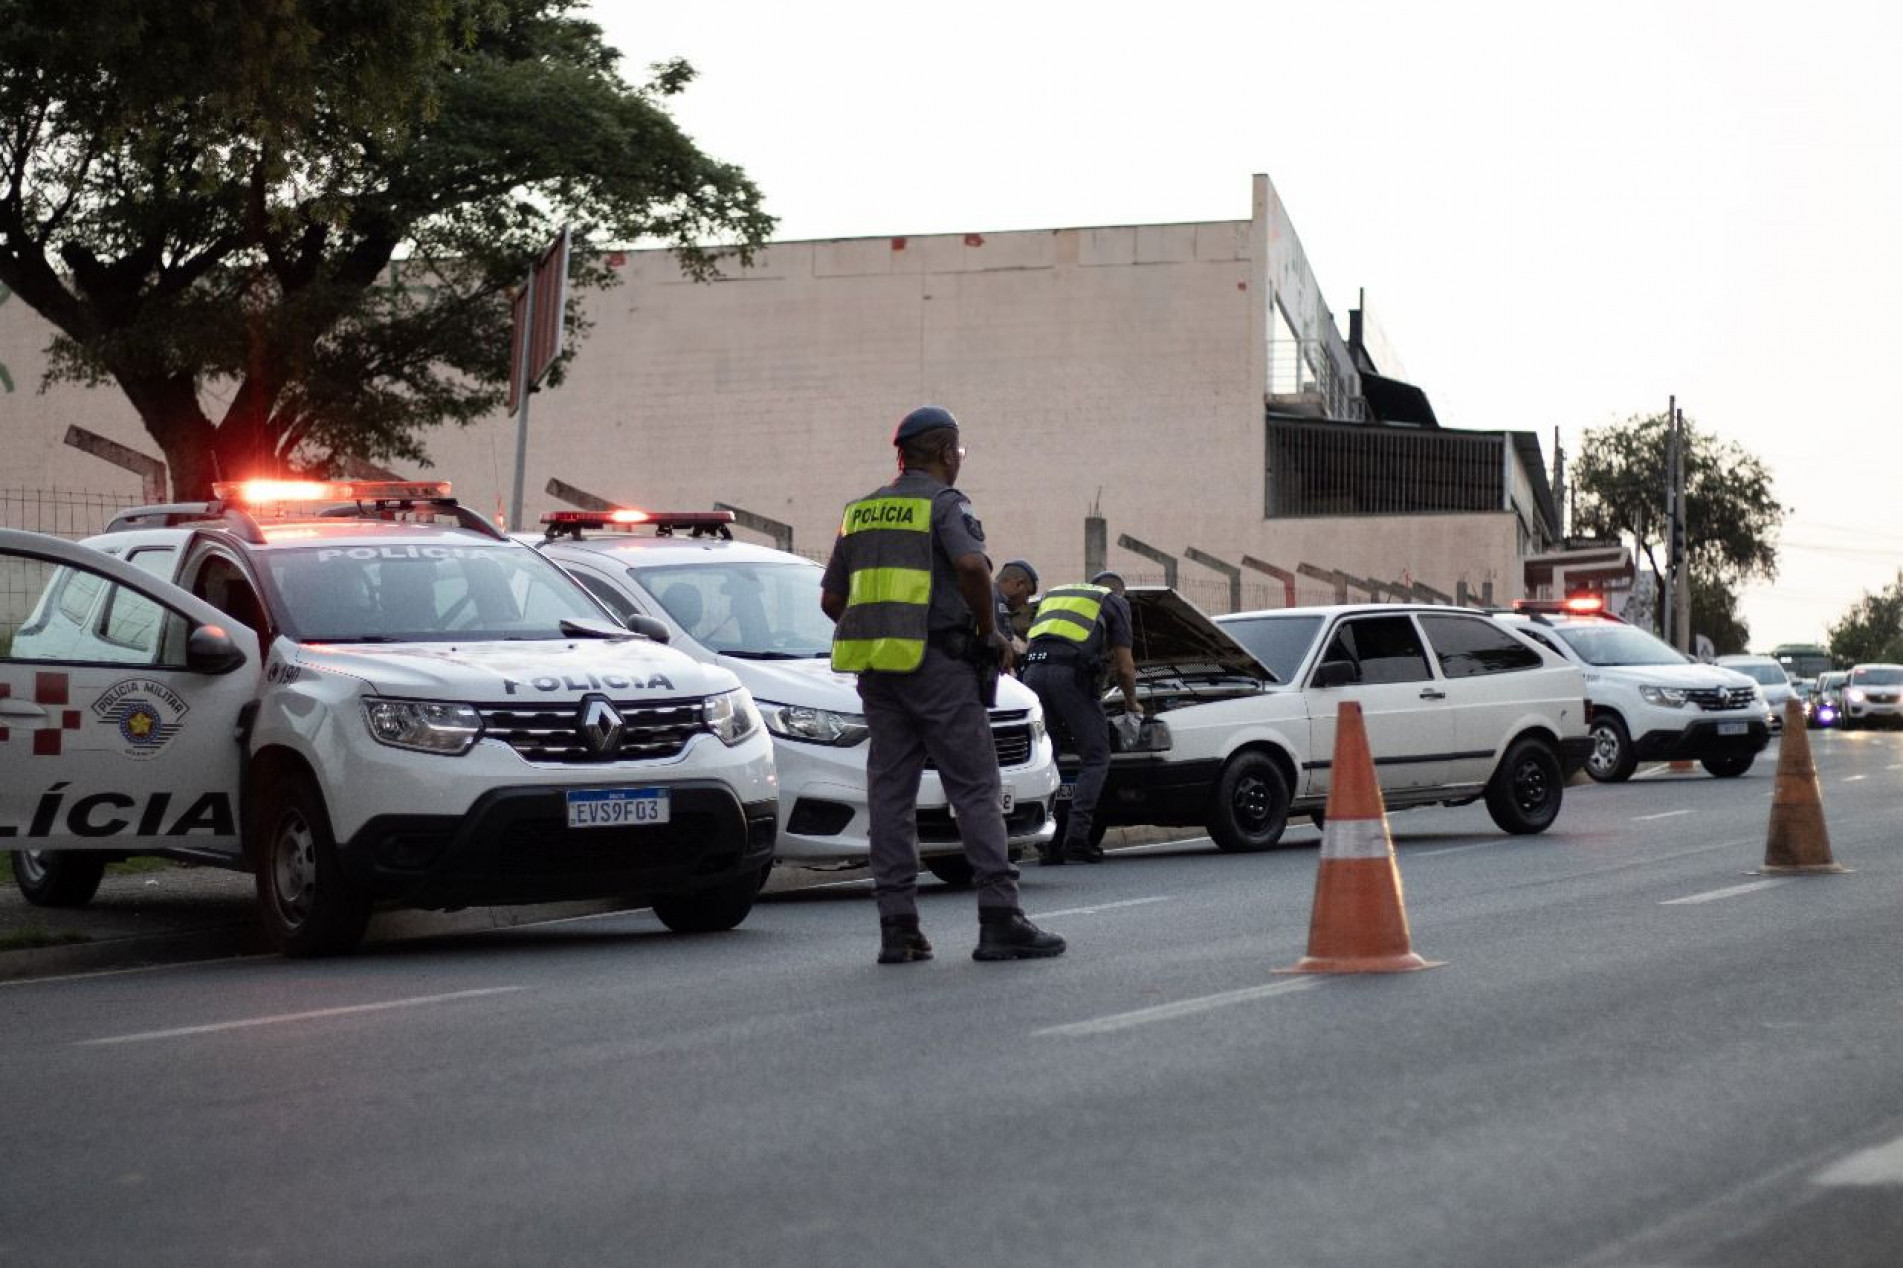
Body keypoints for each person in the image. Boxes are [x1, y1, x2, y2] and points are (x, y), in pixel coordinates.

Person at [820, 405, 1067, 965]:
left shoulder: (858, 514)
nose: (959, 460)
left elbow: (832, 600)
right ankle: (1000, 920)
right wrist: (988, 633)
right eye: (958, 451)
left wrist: (886, 632)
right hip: (941, 669)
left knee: (891, 795)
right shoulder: (944, 504)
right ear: (943, 450)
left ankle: (899, 929)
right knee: (975, 787)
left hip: (880, 675)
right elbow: (973, 568)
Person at [1021, 570, 1140, 865]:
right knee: (1097, 755)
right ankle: (1077, 837)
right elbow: (1125, 668)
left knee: (1050, 756)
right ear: (1118, 592)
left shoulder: (1057, 595)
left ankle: (1050, 843)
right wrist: (1131, 703)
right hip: (1069, 678)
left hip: (1033, 674)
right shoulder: (1115, 602)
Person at [993, 559, 1039, 661]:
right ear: (1018, 584)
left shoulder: (996, 599)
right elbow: (996, 645)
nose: (1025, 602)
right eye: (1027, 594)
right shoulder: (996, 602)